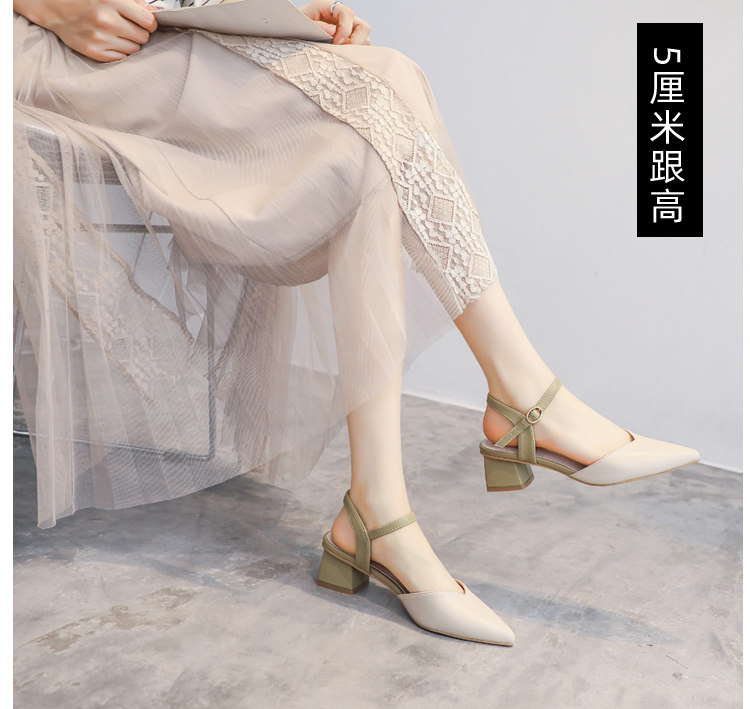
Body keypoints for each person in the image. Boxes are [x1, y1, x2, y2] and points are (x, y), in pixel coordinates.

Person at [12, 0, 699, 646]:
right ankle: (497, 421)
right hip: (58, 46)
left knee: (382, 97)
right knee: (378, 103)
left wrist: (278, 15)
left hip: (166, 33)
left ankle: (385, 499)